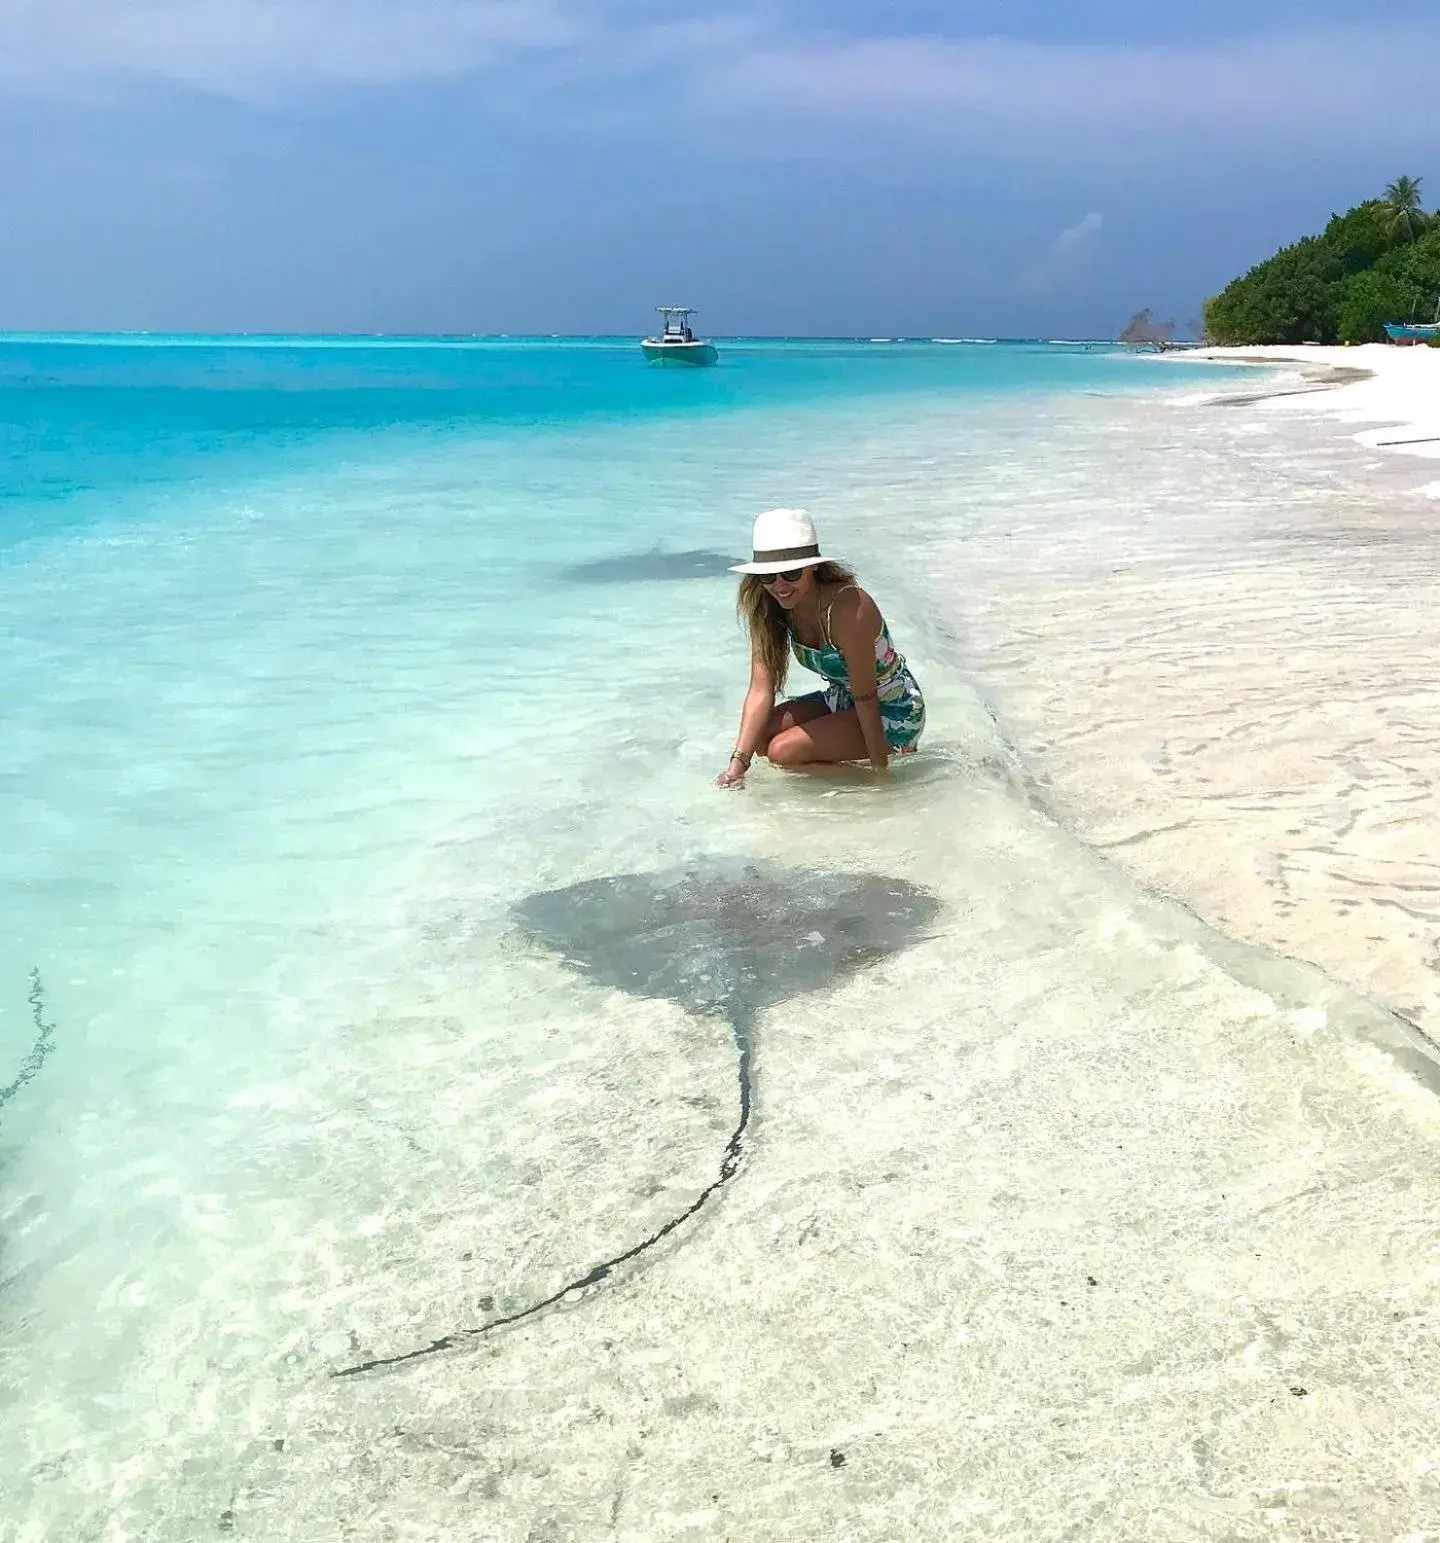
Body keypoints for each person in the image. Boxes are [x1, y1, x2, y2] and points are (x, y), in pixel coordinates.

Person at [717, 508, 925, 788]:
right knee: (763, 738)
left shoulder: (849, 607)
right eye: (768, 576)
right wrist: (736, 767)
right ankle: (841, 772)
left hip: (890, 707)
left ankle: (863, 781)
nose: (779, 585)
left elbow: (866, 696)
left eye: (790, 573)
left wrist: (882, 776)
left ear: (813, 566)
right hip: (842, 698)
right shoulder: (770, 608)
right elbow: (760, 689)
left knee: (783, 752)